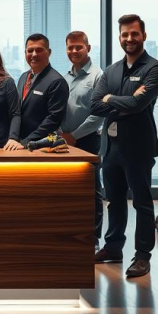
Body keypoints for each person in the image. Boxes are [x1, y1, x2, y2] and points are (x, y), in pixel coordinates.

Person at [90, 14, 158, 279]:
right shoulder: (111, 70)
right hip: (110, 147)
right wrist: (120, 101)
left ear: (143, 35)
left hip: (138, 147)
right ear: (119, 37)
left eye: (134, 34)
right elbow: (95, 104)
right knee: (115, 201)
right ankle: (113, 247)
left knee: (143, 202)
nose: (129, 39)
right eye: (124, 34)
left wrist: (111, 99)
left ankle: (142, 256)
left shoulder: (155, 68)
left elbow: (138, 105)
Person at [60, 31, 105, 249]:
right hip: (63, 141)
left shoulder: (98, 76)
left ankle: (93, 239)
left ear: (88, 48)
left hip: (87, 141)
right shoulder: (65, 77)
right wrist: (61, 134)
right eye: (70, 47)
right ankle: (72, 235)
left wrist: (74, 136)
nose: (74, 51)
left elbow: (98, 115)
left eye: (79, 47)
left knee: (92, 189)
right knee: (69, 189)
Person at [13, 33, 69, 147]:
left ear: (49, 52)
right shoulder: (23, 77)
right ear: (25, 53)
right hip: (20, 143)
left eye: (39, 50)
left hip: (42, 145)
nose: (34, 54)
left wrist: (26, 141)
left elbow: (53, 119)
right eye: (30, 51)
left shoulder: (57, 81)